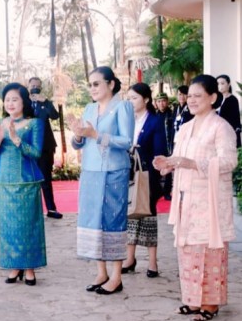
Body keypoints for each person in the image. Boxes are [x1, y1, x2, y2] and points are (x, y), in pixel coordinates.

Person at [153, 75, 236, 321]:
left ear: (212, 98)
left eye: (198, 96)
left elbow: (229, 161)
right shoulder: (186, 127)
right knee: (188, 249)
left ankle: (210, 303)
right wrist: (167, 164)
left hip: (209, 201)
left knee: (209, 250)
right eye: (189, 96)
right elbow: (179, 158)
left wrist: (191, 163)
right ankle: (192, 300)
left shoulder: (221, 127)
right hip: (186, 198)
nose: (192, 100)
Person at [70, 66, 134, 295]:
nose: (92, 89)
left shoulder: (123, 106)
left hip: (114, 171)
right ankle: (101, 271)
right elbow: (78, 143)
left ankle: (116, 276)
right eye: (90, 84)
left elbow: (127, 142)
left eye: (97, 84)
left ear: (111, 84)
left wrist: (96, 135)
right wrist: (78, 134)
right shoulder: (89, 108)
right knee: (93, 220)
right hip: (90, 170)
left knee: (112, 220)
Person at [0, 82, 46, 286]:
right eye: (7, 100)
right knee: (9, 228)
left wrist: (17, 140)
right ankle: (14, 267)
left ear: (23, 101)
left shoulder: (35, 123)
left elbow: (37, 153)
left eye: (14, 99)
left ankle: (29, 268)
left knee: (28, 226)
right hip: (4, 183)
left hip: (27, 183)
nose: (10, 103)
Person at [122, 83, 167, 278]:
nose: (130, 102)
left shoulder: (155, 121)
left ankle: (152, 262)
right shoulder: (126, 119)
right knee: (130, 216)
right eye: (129, 98)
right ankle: (130, 259)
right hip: (127, 174)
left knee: (148, 217)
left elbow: (160, 150)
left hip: (147, 175)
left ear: (146, 99)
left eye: (134, 98)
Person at [28, 77, 63, 219]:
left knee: (45, 179)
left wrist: (46, 102)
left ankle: (51, 209)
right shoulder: (25, 103)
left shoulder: (45, 103)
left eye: (38, 86)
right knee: (29, 180)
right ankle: (32, 211)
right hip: (28, 147)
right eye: (33, 85)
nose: (35, 88)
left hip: (45, 147)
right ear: (28, 86)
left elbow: (55, 116)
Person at [215, 74, 241, 148]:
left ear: (229, 84)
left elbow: (234, 119)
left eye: (222, 83)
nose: (220, 86)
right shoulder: (216, 100)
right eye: (218, 84)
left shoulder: (232, 100)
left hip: (229, 135)